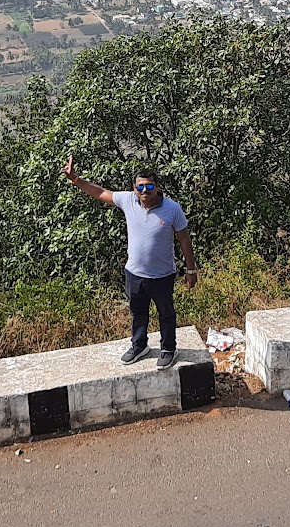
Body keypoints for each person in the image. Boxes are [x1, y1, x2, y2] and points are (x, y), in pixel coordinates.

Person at [64, 158, 198, 369]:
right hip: (134, 273)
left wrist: (191, 269)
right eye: (140, 186)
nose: (145, 191)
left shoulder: (172, 209)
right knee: (138, 312)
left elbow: (184, 238)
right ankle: (139, 346)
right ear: (134, 188)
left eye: (150, 186)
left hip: (162, 275)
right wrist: (74, 179)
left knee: (166, 313)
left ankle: (168, 349)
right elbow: (99, 192)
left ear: (158, 186)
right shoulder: (128, 201)